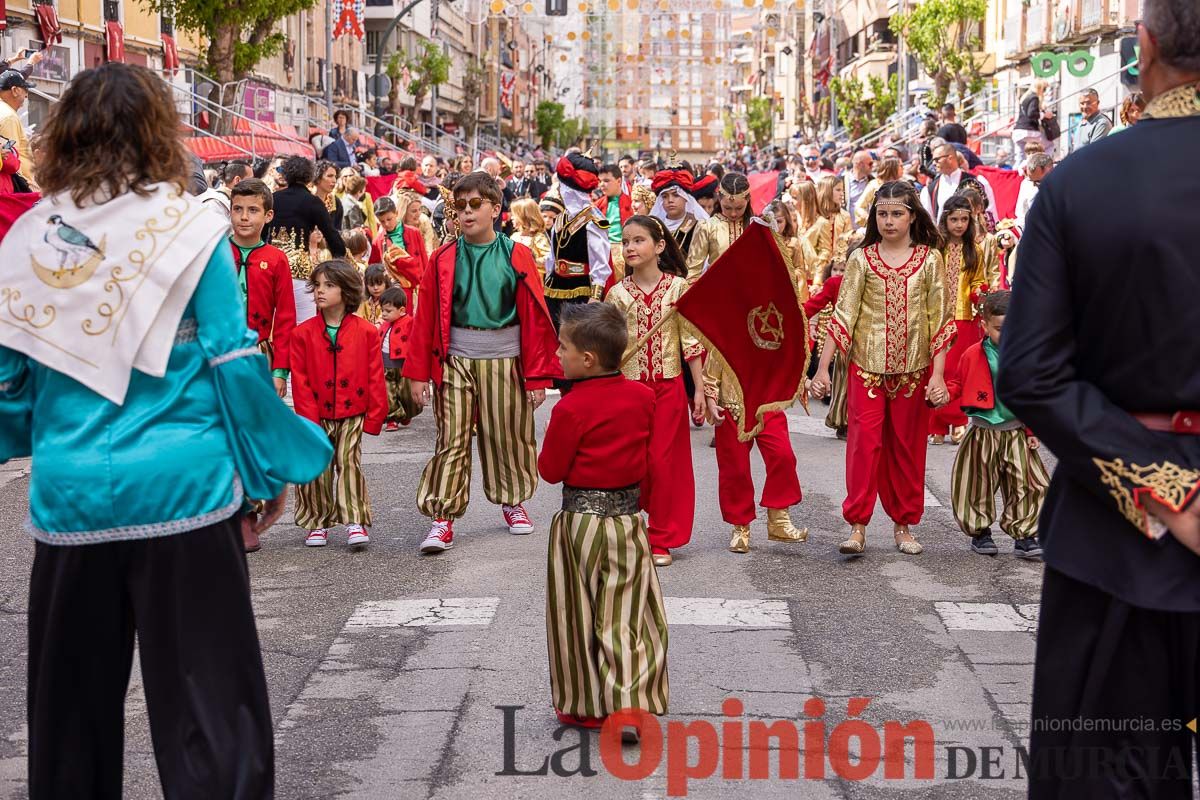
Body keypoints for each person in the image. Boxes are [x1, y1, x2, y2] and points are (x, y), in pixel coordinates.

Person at [0, 62, 333, 798]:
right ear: (158, 133)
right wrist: (266, 470)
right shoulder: (192, 228)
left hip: (72, 498)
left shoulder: (28, 238)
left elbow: (10, 389)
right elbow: (233, 361)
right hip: (187, 490)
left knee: (70, 715)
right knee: (211, 702)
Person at [998, 1, 1200, 792]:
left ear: (1142, 46)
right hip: (1122, 533)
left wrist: (1170, 488)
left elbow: (1032, 375)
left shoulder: (1080, 184)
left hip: (1120, 536)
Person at [404, 172, 562, 554]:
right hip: (455, 358)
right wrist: (417, 373)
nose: (467, 212)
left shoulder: (517, 253)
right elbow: (424, 318)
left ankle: (513, 502)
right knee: (451, 438)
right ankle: (442, 518)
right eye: (460, 206)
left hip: (505, 359)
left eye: (476, 204)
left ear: (495, 208)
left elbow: (535, 316)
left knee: (507, 434)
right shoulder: (442, 258)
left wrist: (537, 376)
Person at [537, 302, 668, 735]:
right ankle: (630, 704)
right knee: (627, 614)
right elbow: (649, 462)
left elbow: (551, 470)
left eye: (563, 348)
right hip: (628, 521)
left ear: (587, 359)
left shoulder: (569, 409)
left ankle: (587, 703)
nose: (558, 355)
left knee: (575, 614)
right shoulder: (643, 397)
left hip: (579, 525)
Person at [810, 181, 953, 557]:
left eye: (897, 214)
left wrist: (937, 375)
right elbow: (843, 317)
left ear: (912, 216)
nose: (888, 221)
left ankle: (903, 525)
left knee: (907, 449)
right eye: (882, 214)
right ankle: (857, 525)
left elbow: (940, 321)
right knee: (864, 446)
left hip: (914, 370)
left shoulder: (929, 259)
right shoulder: (862, 259)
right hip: (866, 369)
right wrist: (822, 370)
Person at [605, 215, 704, 567]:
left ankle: (661, 537)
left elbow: (691, 341)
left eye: (638, 241)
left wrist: (700, 390)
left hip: (668, 386)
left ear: (659, 246)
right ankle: (627, 531)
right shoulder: (616, 294)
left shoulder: (678, 289)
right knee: (631, 463)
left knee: (663, 462)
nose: (630, 248)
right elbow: (610, 348)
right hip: (628, 390)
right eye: (626, 242)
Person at [290, 259, 388, 549]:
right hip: (316, 413)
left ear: (346, 292)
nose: (320, 291)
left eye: (329, 285)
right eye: (317, 285)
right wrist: (308, 419)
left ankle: (354, 520)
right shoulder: (301, 334)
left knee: (349, 463)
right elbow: (301, 379)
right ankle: (317, 521)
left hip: (353, 410)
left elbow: (375, 375)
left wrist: (375, 417)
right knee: (317, 466)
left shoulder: (367, 332)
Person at [947, 291, 1048, 559]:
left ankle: (1025, 534)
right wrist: (942, 394)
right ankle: (980, 532)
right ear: (984, 325)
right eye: (1000, 329)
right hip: (983, 431)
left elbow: (1033, 394)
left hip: (1015, 430)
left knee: (1030, 483)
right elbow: (958, 383)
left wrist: (1032, 429)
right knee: (976, 483)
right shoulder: (971, 354)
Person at [928, 195, 999, 445]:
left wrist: (979, 293)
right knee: (937, 370)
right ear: (944, 220)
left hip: (964, 319)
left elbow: (978, 280)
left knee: (958, 371)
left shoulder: (974, 250)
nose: (959, 225)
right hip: (935, 318)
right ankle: (936, 423)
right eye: (954, 219)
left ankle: (957, 421)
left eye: (964, 220)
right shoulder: (935, 248)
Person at [228, 179, 296, 405]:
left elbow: (286, 318)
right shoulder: (216, 253)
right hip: (221, 349)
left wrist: (280, 371)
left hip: (259, 352)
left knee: (256, 418)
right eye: (238, 209)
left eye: (253, 210)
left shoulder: (277, 260)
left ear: (268, 216)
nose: (244, 217)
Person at [265, 156, 347, 320]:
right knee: (303, 326)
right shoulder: (313, 202)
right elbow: (333, 237)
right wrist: (339, 260)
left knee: (273, 323)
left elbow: (262, 234)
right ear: (309, 176)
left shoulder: (274, 198)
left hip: (271, 268)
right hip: (299, 271)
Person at [544, 153, 612, 328]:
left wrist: (595, 297)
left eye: (563, 186)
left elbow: (601, 263)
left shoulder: (593, 221)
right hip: (554, 288)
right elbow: (552, 257)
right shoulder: (561, 218)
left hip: (581, 292)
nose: (560, 190)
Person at [804, 258, 849, 438]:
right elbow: (813, 305)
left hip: (871, 341)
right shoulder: (835, 284)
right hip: (844, 341)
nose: (840, 273)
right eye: (836, 269)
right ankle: (843, 422)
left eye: (843, 269)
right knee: (844, 384)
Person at [685, 172, 753, 285]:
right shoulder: (707, 227)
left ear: (748, 199)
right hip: (716, 293)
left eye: (739, 208)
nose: (733, 214)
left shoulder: (755, 227)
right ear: (719, 198)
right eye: (727, 207)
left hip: (751, 294)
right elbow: (693, 271)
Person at [370, 195, 426, 309]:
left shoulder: (414, 232)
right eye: (382, 221)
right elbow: (373, 267)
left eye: (389, 219)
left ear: (396, 213)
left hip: (416, 286)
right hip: (393, 291)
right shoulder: (378, 241)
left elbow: (424, 261)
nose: (386, 224)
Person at [378, 285, 419, 432]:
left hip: (403, 364)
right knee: (389, 392)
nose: (384, 314)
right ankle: (392, 418)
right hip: (386, 363)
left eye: (388, 311)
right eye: (382, 310)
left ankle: (406, 413)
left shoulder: (409, 322)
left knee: (405, 392)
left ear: (401, 310)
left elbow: (416, 339)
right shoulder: (384, 325)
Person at [650, 159, 709, 258]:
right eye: (665, 196)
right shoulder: (653, 226)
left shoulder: (698, 226)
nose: (670, 200)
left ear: (686, 198)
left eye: (676, 195)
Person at [807, 175, 852, 290]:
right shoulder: (813, 216)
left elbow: (848, 246)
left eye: (842, 190)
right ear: (826, 191)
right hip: (814, 271)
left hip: (836, 270)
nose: (842, 193)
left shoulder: (844, 216)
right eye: (838, 190)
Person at [595, 163, 632, 280]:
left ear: (619, 181)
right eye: (600, 181)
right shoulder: (597, 206)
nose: (602, 185)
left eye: (606, 180)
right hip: (602, 253)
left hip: (626, 251)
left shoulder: (632, 203)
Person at [0, 69, 35, 187]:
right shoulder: (8, 116)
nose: (26, 96)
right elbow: (11, 162)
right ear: (15, 90)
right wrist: (25, 189)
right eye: (25, 90)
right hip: (11, 191)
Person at [854, 156, 902, 228]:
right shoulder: (874, 185)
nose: (903, 168)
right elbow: (859, 207)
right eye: (900, 166)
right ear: (893, 168)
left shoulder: (903, 185)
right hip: (879, 228)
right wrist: (869, 219)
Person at [509, 196, 551, 276]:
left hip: (532, 282)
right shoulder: (514, 237)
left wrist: (533, 261)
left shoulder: (538, 238)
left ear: (524, 217)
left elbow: (549, 260)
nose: (511, 218)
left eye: (514, 214)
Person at [1014, 153, 1053, 230]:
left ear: (1050, 169)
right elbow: (1021, 217)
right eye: (1032, 180)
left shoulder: (1065, 184)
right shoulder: (1026, 184)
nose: (1035, 185)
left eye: (1038, 181)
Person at [1073, 88, 1113, 152]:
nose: (1085, 106)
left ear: (1097, 103)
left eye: (1089, 103)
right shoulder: (1082, 122)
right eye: (1082, 103)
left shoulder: (1102, 124)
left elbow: (1093, 154)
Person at [311, 159, 344, 231]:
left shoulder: (336, 202)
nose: (334, 180)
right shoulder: (305, 199)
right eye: (330, 176)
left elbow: (338, 230)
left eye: (335, 176)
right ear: (317, 178)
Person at [843, 149, 875, 222]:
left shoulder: (873, 181)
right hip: (847, 229)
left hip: (867, 228)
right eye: (870, 163)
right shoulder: (841, 181)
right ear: (860, 165)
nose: (872, 166)